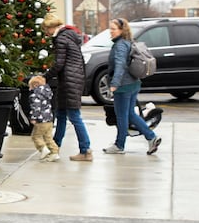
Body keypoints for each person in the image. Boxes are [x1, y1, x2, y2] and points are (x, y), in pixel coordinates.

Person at [103, 17, 162, 155]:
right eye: (110, 28)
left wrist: (114, 84)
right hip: (133, 83)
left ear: (121, 30)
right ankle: (152, 137)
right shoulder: (128, 42)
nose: (110, 31)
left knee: (122, 116)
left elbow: (120, 65)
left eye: (113, 29)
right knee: (129, 114)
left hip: (123, 86)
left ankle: (119, 145)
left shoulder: (120, 45)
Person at [42, 15, 93, 161]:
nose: (46, 33)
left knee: (74, 116)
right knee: (61, 114)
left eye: (46, 29)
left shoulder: (61, 39)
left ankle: (86, 150)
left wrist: (45, 77)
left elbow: (59, 64)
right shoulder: (70, 36)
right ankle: (55, 147)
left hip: (68, 81)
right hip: (73, 79)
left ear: (51, 27)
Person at [28, 75, 59, 162]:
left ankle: (43, 149)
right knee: (48, 137)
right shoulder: (47, 93)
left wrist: (33, 117)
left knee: (36, 136)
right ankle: (54, 152)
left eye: (30, 86)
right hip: (49, 119)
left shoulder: (36, 95)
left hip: (41, 120)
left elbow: (36, 107)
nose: (30, 88)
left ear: (35, 85)